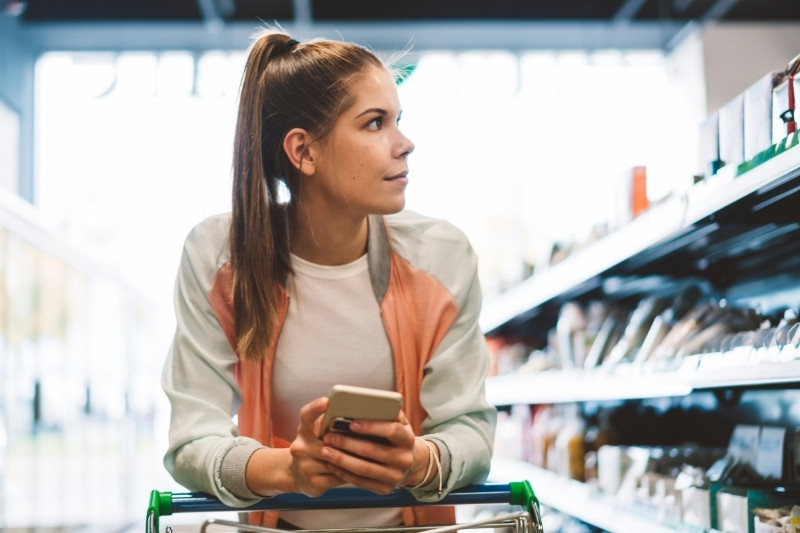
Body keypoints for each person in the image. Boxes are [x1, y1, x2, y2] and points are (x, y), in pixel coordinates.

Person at [161, 28, 497, 530]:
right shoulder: (221, 259)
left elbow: (470, 428)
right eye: (375, 123)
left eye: (397, 120)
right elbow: (191, 440)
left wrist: (419, 460)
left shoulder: (442, 258)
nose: (405, 144)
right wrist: (288, 469)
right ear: (304, 152)